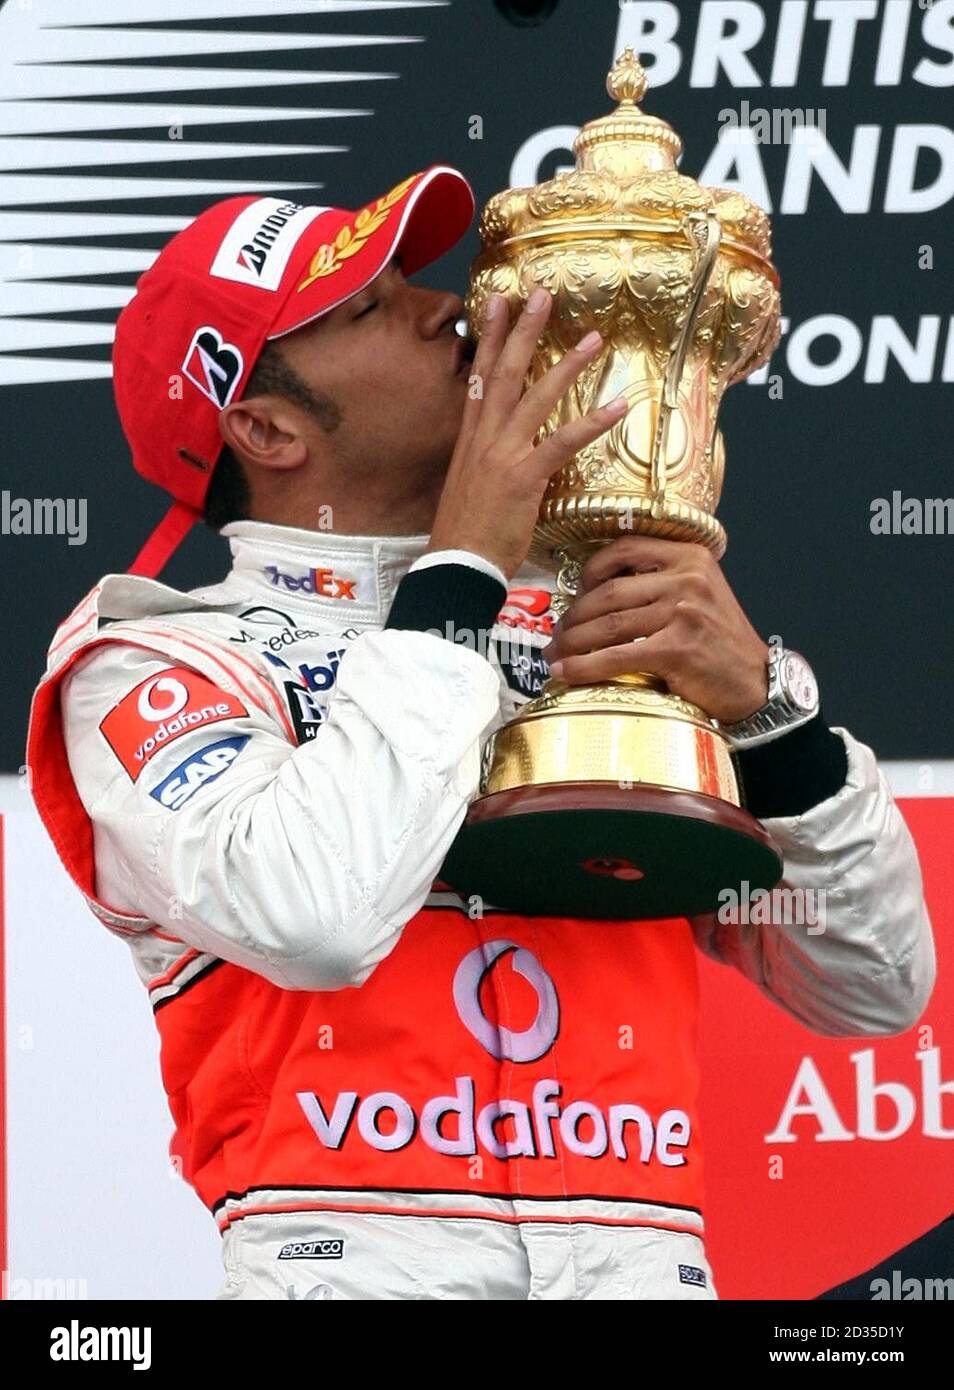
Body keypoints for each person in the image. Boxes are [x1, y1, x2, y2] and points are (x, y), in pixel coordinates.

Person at [27, 166, 935, 1301]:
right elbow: (314, 913)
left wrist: (768, 716)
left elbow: (872, 983)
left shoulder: (595, 615)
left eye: (416, 279)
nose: (446, 308)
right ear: (264, 425)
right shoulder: (157, 664)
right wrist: (457, 582)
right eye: (370, 307)